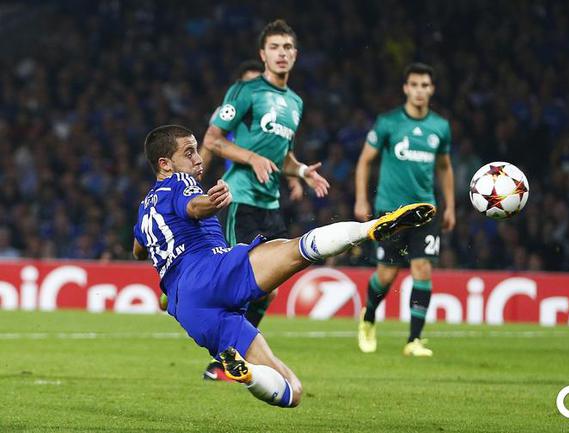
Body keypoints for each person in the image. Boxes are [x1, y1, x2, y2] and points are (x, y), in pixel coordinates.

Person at [133, 124, 435, 407]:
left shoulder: (144, 210)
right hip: (211, 272)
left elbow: (138, 250)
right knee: (296, 250)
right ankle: (369, 228)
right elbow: (194, 207)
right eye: (189, 153)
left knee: (292, 392)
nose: (198, 159)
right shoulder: (180, 182)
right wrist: (212, 203)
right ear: (165, 164)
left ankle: (248, 374)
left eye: (197, 150)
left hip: (189, 309)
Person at [202, 22, 325, 337]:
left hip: (270, 205)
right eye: (274, 47)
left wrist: (301, 171)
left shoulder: (295, 103)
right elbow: (213, 140)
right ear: (263, 54)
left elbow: (283, 156)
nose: (281, 53)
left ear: (295, 54)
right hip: (241, 199)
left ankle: (233, 347)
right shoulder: (246, 91)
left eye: (287, 47)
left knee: (268, 289)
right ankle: (223, 344)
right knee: (240, 282)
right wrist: (252, 158)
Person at [354, 62, 455, 357]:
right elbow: (365, 161)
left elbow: (445, 167)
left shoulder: (440, 127)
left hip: (426, 210)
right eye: (414, 85)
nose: (419, 90)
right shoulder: (388, 123)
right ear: (406, 88)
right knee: (386, 275)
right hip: (392, 211)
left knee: (422, 268)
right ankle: (368, 316)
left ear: (432, 89)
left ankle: (414, 340)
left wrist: (450, 206)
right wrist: (361, 199)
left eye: (425, 85)